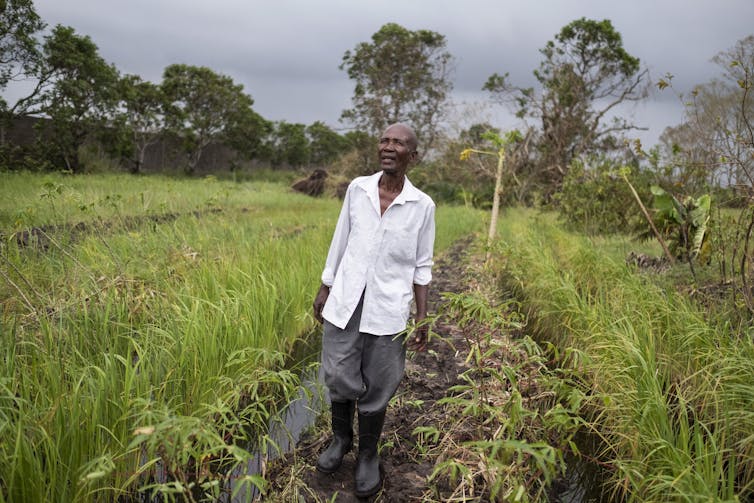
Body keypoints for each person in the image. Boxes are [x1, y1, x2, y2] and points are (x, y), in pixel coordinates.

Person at [312, 123, 435, 497]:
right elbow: (341, 238)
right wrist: (325, 285)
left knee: (380, 381)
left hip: (388, 307)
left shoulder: (422, 205)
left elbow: (422, 266)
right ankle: (340, 440)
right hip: (348, 299)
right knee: (338, 371)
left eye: (398, 143)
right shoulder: (358, 189)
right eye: (384, 140)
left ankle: (367, 455)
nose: (388, 146)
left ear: (412, 156)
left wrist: (422, 316)